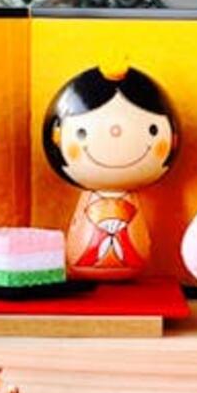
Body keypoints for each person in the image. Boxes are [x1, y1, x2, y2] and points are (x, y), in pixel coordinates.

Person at [42, 64, 181, 281]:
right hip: (82, 262)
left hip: (134, 263)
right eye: (81, 132)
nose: (116, 135)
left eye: (153, 131)